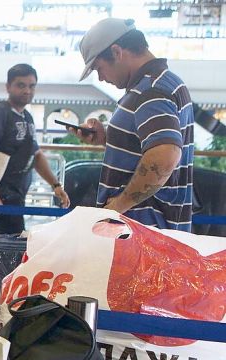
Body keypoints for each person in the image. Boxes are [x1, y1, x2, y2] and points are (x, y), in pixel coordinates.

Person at [73, 18, 194, 231]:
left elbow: (165, 156)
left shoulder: (151, 91)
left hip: (145, 234)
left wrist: (118, 205)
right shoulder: (163, 82)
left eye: (99, 68)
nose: (101, 78)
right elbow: (150, 145)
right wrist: (107, 137)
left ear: (117, 52)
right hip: (152, 232)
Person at [0, 64, 70, 235]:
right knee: (5, 249)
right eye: (21, 85)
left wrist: (55, 185)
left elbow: (36, 155)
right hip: (1, 196)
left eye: (32, 86)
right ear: (8, 87)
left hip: (16, 196)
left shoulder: (27, 117)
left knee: (7, 246)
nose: (27, 91)